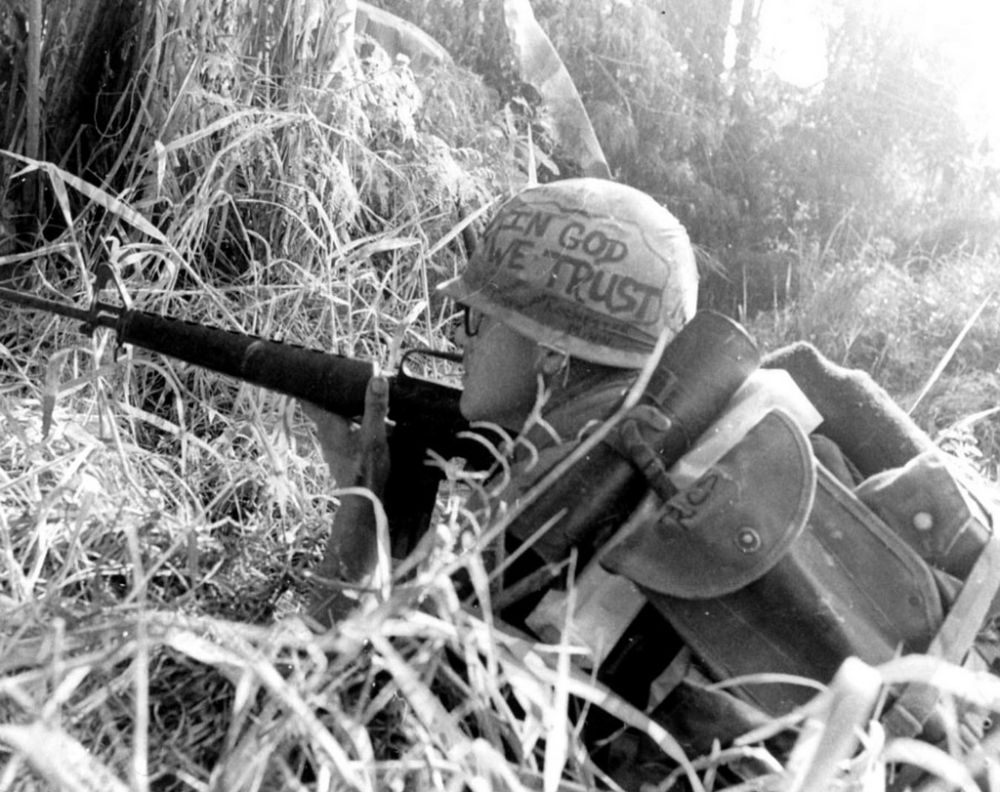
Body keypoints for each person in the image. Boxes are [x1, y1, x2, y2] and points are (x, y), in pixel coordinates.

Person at [302, 177, 1000, 785]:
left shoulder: (524, 557)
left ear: (551, 355)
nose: (460, 341)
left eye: (477, 320)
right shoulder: (778, 403)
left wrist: (359, 509)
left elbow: (325, 724)